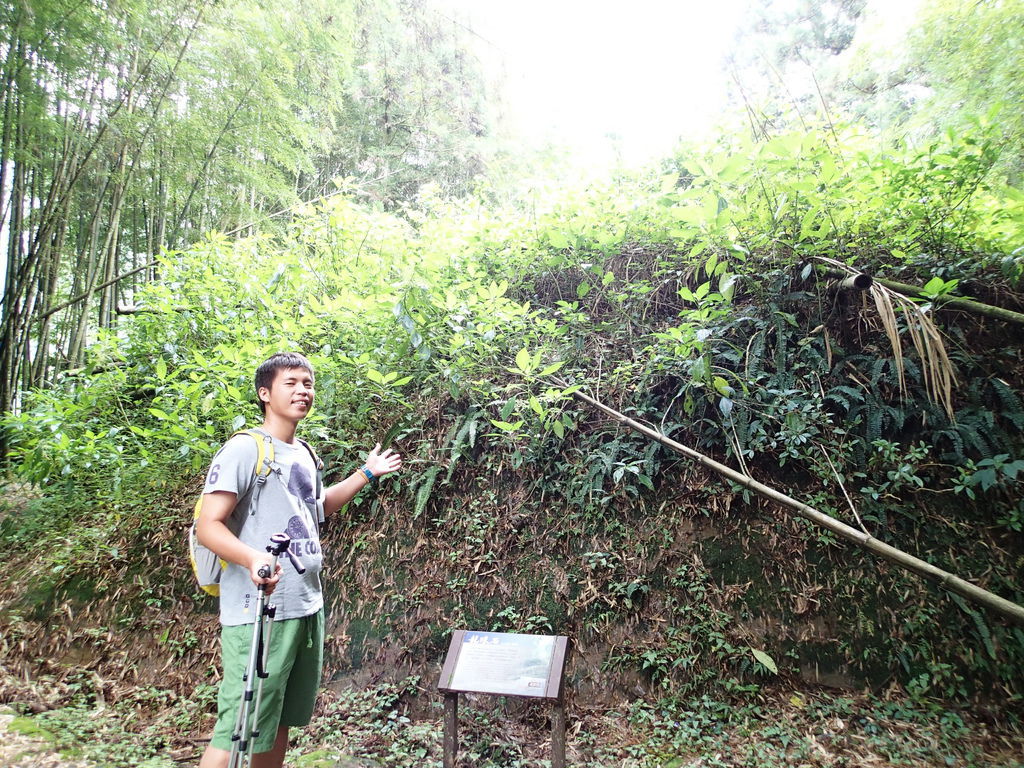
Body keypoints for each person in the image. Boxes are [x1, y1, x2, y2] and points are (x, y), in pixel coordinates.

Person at [196, 352, 401, 768]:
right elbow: (208, 525)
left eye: (307, 383)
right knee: (239, 723)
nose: (302, 391)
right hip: (260, 611)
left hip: (306, 604)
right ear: (264, 393)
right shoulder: (243, 449)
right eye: (291, 383)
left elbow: (317, 508)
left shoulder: (304, 452)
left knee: (279, 721)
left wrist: (366, 473)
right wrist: (254, 558)